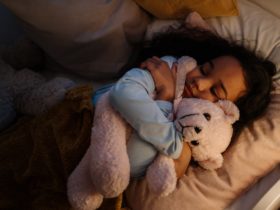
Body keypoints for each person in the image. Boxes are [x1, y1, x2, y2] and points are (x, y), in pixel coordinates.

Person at [92, 26, 276, 179]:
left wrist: (166, 97)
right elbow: (122, 94)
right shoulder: (173, 69)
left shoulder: (194, 134)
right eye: (204, 70)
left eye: (215, 91)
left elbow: (132, 166)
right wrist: (170, 138)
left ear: (225, 111)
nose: (200, 82)